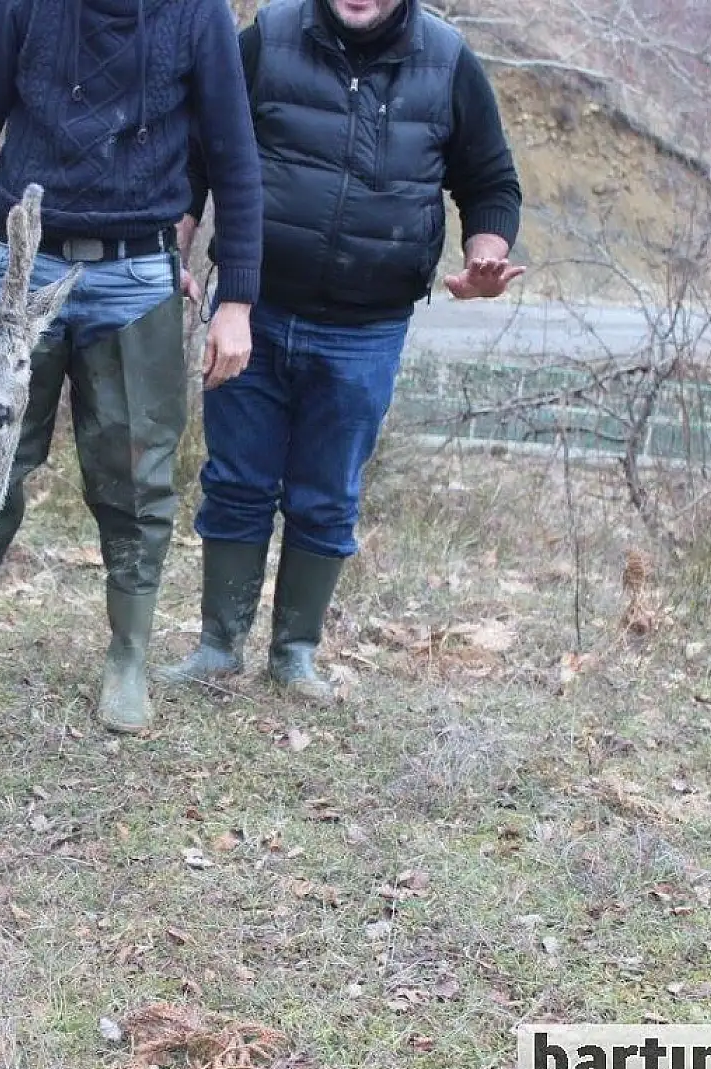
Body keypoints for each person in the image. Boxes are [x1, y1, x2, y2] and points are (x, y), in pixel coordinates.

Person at [0, 0, 264, 735]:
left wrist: (237, 298)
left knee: (136, 475)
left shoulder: (199, 14)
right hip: (19, 276)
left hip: (136, 275)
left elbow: (235, 155)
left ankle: (128, 653)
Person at [163, 0, 524, 702]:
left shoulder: (448, 62)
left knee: (327, 495)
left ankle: (294, 655)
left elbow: (490, 182)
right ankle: (218, 645)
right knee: (235, 479)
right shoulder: (265, 40)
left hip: (367, 328)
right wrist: (168, 247)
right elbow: (195, 157)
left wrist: (486, 256)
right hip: (251, 312)